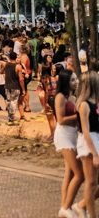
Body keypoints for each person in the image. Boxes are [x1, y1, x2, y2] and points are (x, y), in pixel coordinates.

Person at [55, 68, 83, 218]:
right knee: (79, 173)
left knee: (70, 173)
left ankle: (63, 207)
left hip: (73, 135)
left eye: (76, 79)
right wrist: (79, 116)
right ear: (66, 82)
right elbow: (60, 120)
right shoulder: (60, 97)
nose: (76, 82)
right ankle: (67, 207)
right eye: (72, 80)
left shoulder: (72, 96)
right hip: (64, 136)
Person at [75, 71, 99, 218]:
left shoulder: (93, 103)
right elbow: (85, 131)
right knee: (91, 183)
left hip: (95, 141)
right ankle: (92, 215)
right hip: (89, 143)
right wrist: (95, 154)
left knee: (94, 183)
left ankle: (81, 205)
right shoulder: (84, 105)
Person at [4, 51, 26, 125]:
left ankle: (10, 118)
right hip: (15, 86)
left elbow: (1, 72)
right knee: (13, 102)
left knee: (9, 102)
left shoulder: (6, 65)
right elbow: (21, 79)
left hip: (7, 86)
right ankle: (12, 119)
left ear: (9, 57)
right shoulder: (18, 66)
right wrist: (23, 89)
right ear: (16, 58)